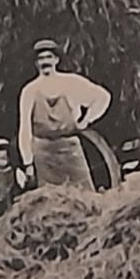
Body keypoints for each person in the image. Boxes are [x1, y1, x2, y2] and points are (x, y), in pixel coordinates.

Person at [17, 39, 111, 190]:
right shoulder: (30, 90)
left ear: (56, 60)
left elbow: (103, 97)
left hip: (70, 149)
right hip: (43, 152)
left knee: (84, 197)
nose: (45, 62)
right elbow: (25, 128)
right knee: (49, 201)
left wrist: (86, 120)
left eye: (49, 57)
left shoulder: (70, 83)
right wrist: (28, 162)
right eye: (41, 58)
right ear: (36, 64)